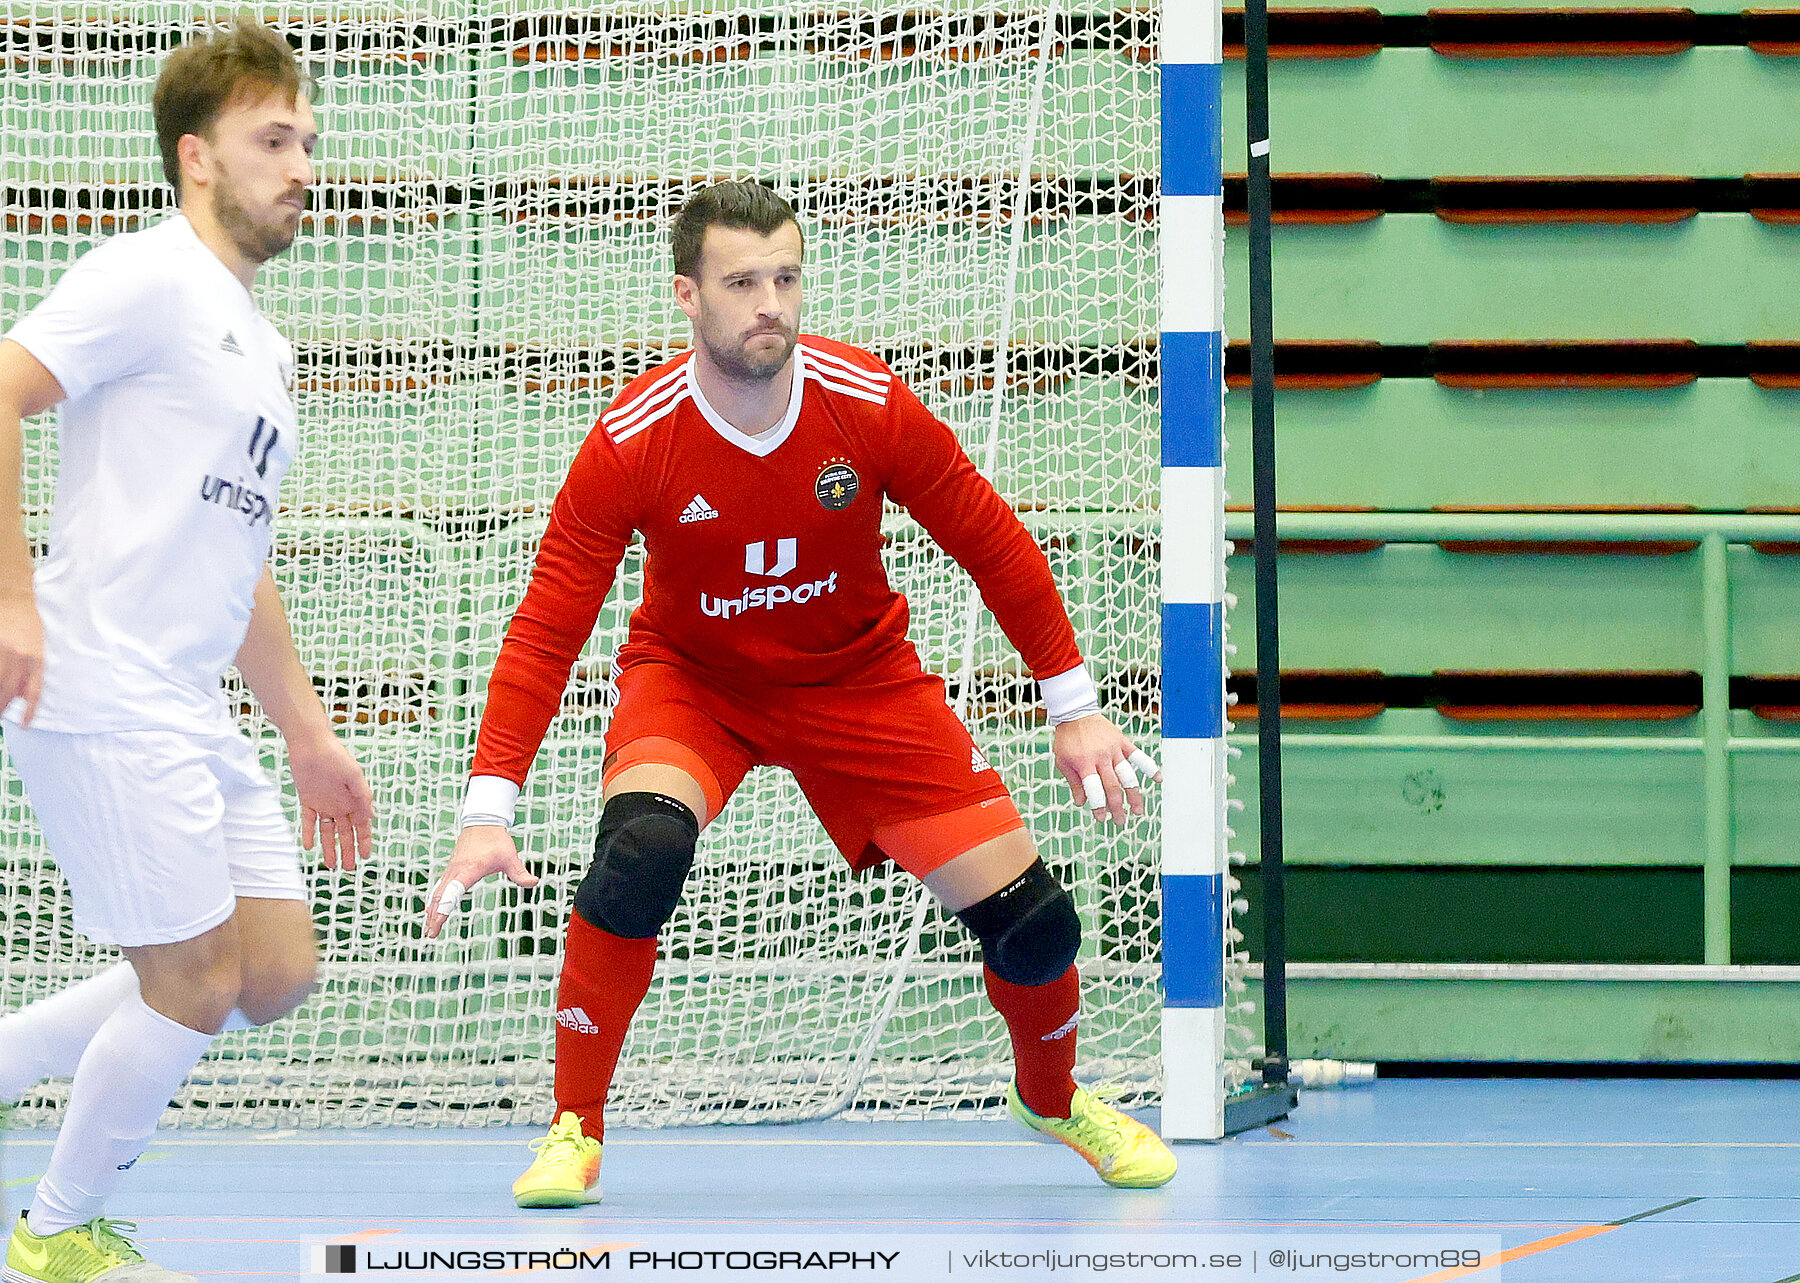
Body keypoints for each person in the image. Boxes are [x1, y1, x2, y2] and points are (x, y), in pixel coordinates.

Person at [425, 179, 1175, 1206]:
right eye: (742, 282)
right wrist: (486, 807)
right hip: (696, 684)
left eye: (785, 276)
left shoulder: (865, 403)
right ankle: (574, 1127)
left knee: (1037, 922)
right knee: (640, 850)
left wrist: (1072, 702)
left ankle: (1053, 1098)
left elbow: (989, 537)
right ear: (686, 295)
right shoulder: (632, 437)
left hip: (860, 681)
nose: (770, 302)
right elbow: (549, 624)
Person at [0, 18, 374, 1281]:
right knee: (195, 974)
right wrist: (13, 600)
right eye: (274, 140)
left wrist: (309, 731)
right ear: (196, 157)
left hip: (187, 696)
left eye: (309, 142)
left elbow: (242, 553)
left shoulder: (259, 345)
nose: (303, 167)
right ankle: (56, 1231)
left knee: (272, 967)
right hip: (98, 677)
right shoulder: (148, 277)